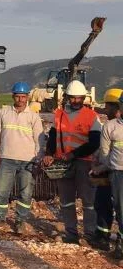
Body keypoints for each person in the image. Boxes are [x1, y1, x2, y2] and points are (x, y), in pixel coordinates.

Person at [42, 80, 102, 244]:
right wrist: (49, 154)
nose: (76, 101)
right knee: (66, 201)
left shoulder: (91, 116)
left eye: (79, 98)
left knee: (88, 202)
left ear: (83, 98)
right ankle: (71, 234)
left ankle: (90, 234)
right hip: (63, 162)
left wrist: (73, 155)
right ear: (67, 97)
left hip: (84, 162)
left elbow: (94, 143)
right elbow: (53, 137)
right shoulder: (59, 114)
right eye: (73, 98)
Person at [0, 82, 45, 235]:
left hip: (28, 160)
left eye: (23, 97)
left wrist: (38, 158)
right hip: (7, 158)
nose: (20, 99)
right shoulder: (4, 113)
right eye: (18, 96)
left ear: (27, 97)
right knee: (2, 191)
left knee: (25, 193)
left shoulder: (33, 117)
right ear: (13, 96)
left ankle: (21, 221)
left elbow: (39, 139)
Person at [92, 88, 122, 251]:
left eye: (108, 106)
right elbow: (104, 150)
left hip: (114, 170)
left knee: (119, 207)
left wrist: (101, 166)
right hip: (109, 170)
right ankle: (102, 235)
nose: (106, 109)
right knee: (102, 203)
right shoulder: (109, 126)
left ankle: (116, 241)